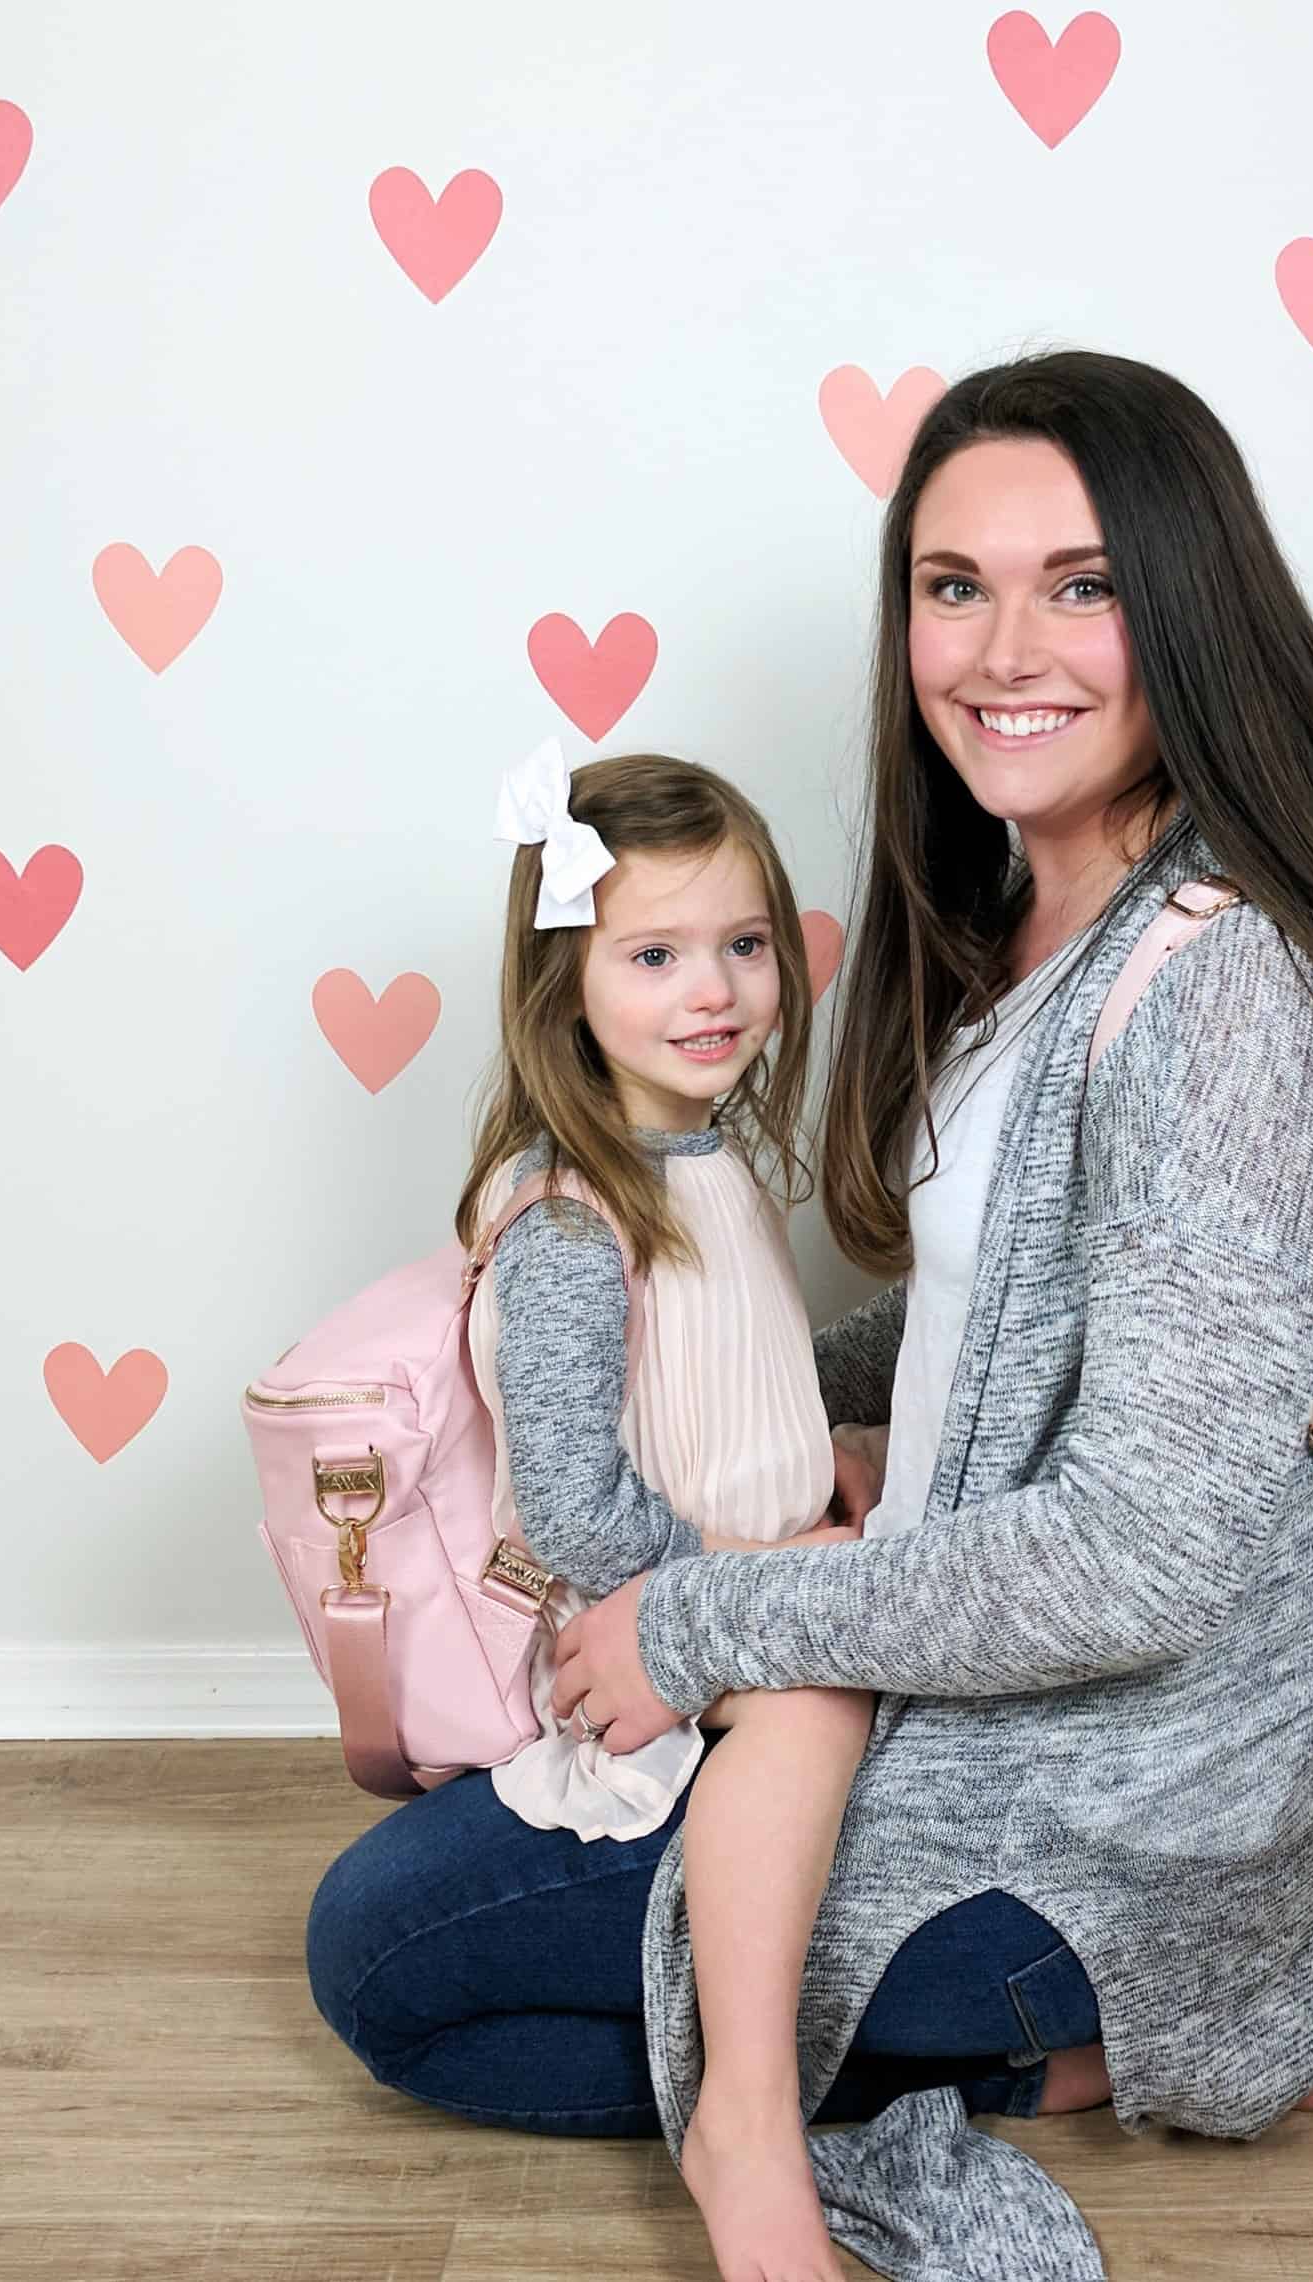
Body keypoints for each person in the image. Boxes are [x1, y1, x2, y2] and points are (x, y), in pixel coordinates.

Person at [312, 349, 1313, 2277]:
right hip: (994, 1671)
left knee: (389, 1960)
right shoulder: (1042, 915)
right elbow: (1000, 1326)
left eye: (1082, 584)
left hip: (1112, 1784)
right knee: (451, 1902)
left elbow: (1137, 1561)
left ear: (1191, 609)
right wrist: (792, 1398)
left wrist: (703, 1609)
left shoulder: (1239, 989)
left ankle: (1096, 2024)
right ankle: (1102, 2028)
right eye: (951, 584)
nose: (1006, 646)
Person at [458, 742, 884, 2281]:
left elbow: (727, 1374)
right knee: (821, 1687)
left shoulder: (708, 1162)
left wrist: (828, 1436)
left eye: (745, 944)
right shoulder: (574, 1216)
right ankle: (745, 2120)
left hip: (745, 1586)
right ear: (567, 980)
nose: (714, 991)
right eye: (654, 954)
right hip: (647, 1644)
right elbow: (579, 1511)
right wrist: (771, 1571)